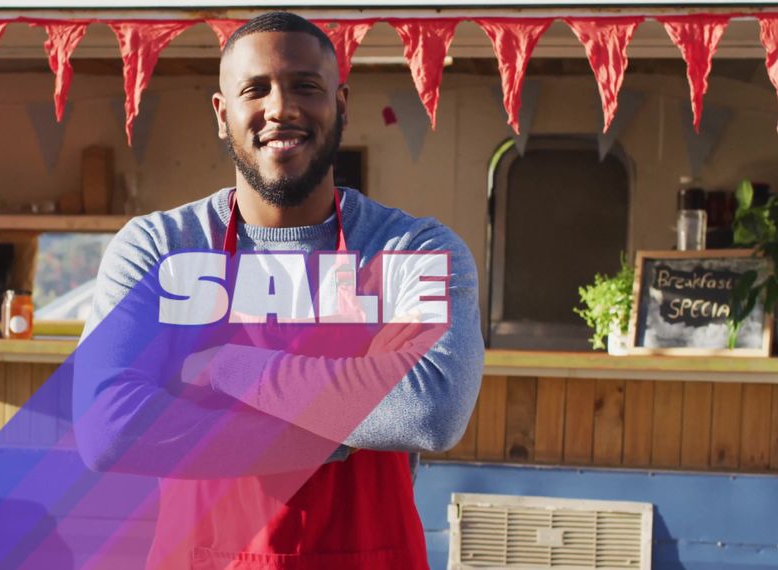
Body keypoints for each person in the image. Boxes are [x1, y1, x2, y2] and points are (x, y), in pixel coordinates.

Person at [76, 12, 484, 569]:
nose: (280, 108)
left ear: (341, 104)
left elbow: (430, 411)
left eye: (305, 87)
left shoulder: (411, 249)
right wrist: (333, 434)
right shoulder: (158, 248)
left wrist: (228, 370)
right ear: (223, 114)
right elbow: (109, 428)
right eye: (255, 89)